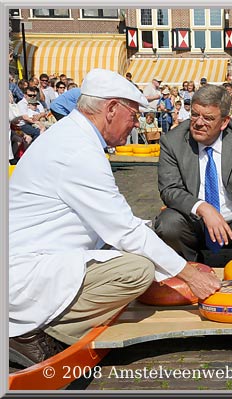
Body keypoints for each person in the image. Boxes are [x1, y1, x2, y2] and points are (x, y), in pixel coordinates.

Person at [8, 68, 221, 368]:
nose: (135, 123)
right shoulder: (78, 150)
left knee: (146, 247)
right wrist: (188, 274)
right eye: (133, 116)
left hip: (42, 258)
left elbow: (113, 219)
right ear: (110, 109)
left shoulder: (72, 136)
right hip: (28, 274)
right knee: (136, 271)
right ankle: (36, 337)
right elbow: (124, 230)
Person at [153, 84, 232, 263]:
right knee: (168, 224)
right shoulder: (172, 141)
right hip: (196, 223)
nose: (198, 123)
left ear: (224, 122)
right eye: (195, 115)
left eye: (208, 118)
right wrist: (204, 208)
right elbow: (169, 189)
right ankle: (190, 264)